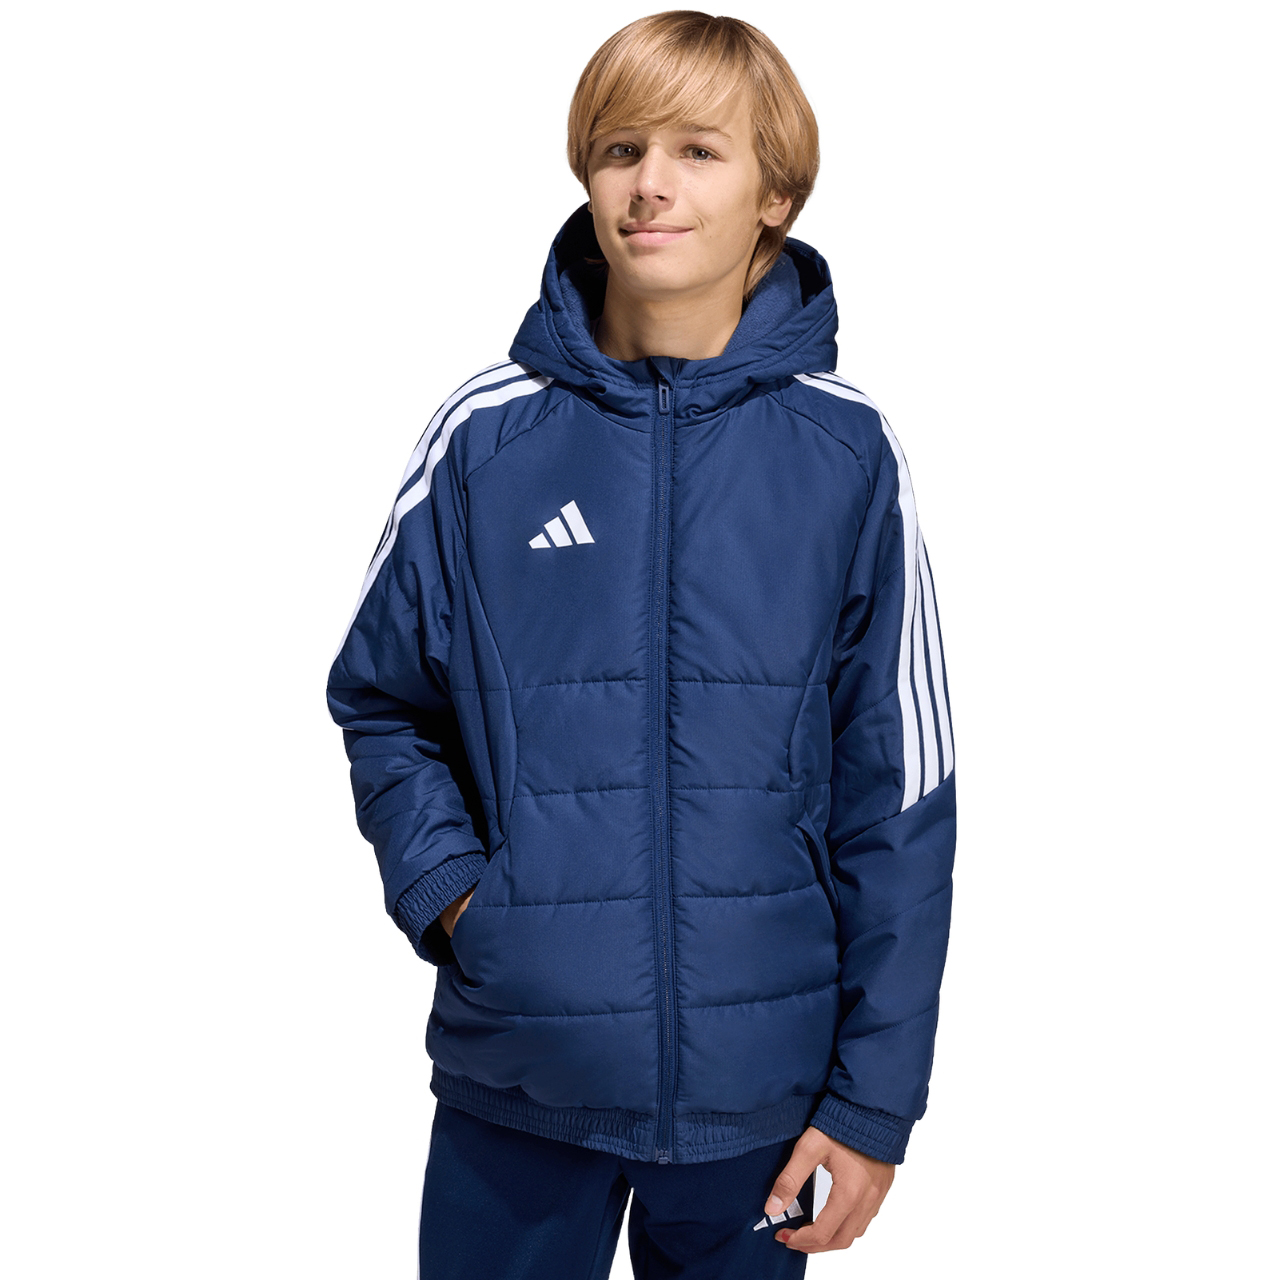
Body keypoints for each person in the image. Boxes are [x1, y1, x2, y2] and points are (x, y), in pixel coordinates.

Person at [325, 11, 956, 1277]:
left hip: (759, 1100)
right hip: (522, 1077)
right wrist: (461, 902)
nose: (648, 184)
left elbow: (899, 795)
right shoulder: (485, 436)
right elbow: (383, 699)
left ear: (774, 196)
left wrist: (872, 1102)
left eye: (696, 152)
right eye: (620, 149)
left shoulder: (845, 453)